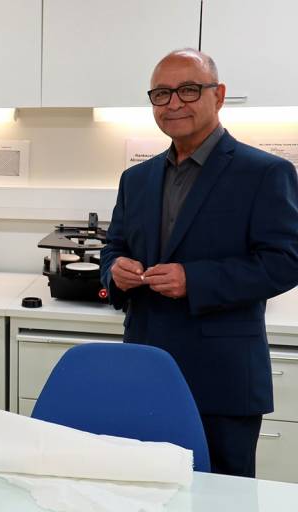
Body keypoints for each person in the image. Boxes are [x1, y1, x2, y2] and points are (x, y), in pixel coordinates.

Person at [100, 49, 298, 477]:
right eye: (161, 94)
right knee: (146, 492)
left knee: (223, 498)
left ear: (219, 95)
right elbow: (113, 247)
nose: (173, 103)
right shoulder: (137, 179)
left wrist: (196, 279)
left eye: (189, 90)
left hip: (222, 380)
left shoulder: (264, 173)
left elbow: (285, 261)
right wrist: (114, 271)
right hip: (146, 369)